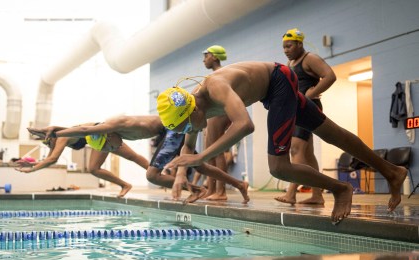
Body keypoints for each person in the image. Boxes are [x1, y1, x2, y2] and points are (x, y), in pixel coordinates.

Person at [156, 61, 407, 223]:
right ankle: (392, 171)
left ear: (192, 109)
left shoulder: (216, 88)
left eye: (187, 125)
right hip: (273, 89)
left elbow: (245, 125)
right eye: (183, 129)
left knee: (278, 167)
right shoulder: (192, 111)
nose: (190, 130)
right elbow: (188, 147)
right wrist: (180, 175)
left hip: (279, 80)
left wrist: (200, 158)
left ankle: (340, 189)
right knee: (332, 132)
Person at [45, 115, 250, 204]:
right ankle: (239, 184)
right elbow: (82, 129)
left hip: (171, 129)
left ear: (107, 134)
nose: (111, 149)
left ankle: (197, 189)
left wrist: (57, 134)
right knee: (200, 166)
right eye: (107, 149)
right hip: (166, 132)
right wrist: (56, 129)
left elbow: (83, 129)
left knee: (152, 175)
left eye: (108, 145)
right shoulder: (116, 133)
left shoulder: (115, 123)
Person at [275, 28, 336, 206]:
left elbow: (330, 76)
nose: (286, 50)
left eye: (289, 46)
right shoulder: (291, 62)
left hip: (306, 108)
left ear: (299, 44)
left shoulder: (310, 59)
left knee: (296, 150)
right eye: (284, 47)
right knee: (308, 155)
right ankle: (317, 195)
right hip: (296, 109)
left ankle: (291, 193)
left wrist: (311, 94)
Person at [15, 126, 149, 198]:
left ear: (51, 136)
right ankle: (126, 185)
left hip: (103, 134)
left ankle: (155, 173)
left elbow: (52, 159)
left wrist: (31, 170)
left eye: (48, 141)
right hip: (98, 139)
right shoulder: (58, 137)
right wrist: (33, 164)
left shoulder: (62, 137)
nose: (48, 144)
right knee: (94, 168)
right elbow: (48, 160)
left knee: (132, 157)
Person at [192, 45, 234, 201]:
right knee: (209, 152)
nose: (204, 59)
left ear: (215, 57)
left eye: (206, 56)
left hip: (220, 111)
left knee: (216, 151)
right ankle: (211, 189)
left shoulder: (223, 73)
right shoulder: (213, 75)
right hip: (214, 113)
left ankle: (221, 191)